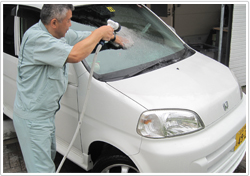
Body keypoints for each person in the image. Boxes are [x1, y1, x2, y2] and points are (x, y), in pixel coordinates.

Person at [13, 4, 124, 173]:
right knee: (42, 171)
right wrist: (100, 32)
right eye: (69, 20)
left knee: (46, 163)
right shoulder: (38, 39)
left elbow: (81, 38)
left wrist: (112, 39)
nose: (71, 24)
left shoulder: (56, 33)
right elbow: (75, 54)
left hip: (45, 117)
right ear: (55, 22)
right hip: (33, 120)